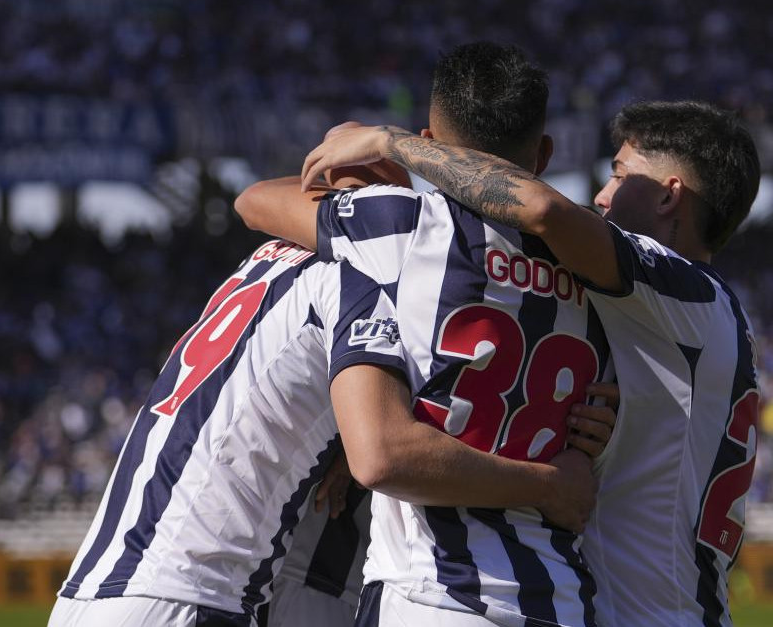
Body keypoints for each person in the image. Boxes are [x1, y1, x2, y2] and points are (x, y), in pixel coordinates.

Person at [292, 100, 763, 626]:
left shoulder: (685, 291)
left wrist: (392, 144)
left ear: (667, 195)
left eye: (619, 175)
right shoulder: (698, 321)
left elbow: (544, 210)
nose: (601, 197)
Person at [48, 225, 617, 625]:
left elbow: (254, 201)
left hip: (92, 588)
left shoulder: (251, 268)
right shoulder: (357, 281)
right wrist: (550, 482)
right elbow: (386, 453)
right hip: (201, 596)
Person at [236, 42, 615, 626]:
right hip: (563, 598)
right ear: (543, 155)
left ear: (429, 144)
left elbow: (254, 201)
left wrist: (381, 163)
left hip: (436, 595)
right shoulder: (604, 272)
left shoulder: (399, 225)